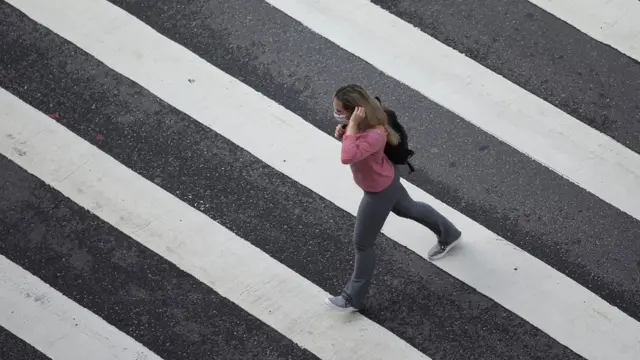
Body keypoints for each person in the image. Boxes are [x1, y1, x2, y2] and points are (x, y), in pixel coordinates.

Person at [325, 84, 462, 312]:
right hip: (386, 179)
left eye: (340, 111)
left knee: (363, 244)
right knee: (408, 208)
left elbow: (348, 156)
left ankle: (351, 298)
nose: (336, 113)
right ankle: (450, 233)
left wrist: (350, 132)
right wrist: (347, 131)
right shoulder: (365, 123)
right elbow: (355, 148)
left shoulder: (376, 133)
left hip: (378, 190)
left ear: (355, 111)